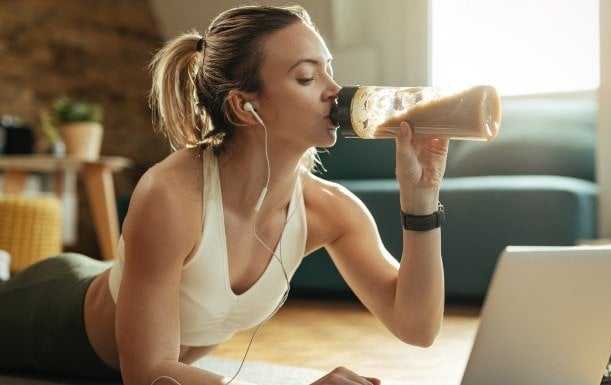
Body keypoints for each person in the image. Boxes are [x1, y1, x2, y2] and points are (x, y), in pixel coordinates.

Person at [0, 4, 448, 385]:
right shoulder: (172, 194)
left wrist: (421, 200)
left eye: (329, 70)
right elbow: (148, 372)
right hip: (48, 316)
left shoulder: (328, 209)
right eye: (307, 77)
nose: (335, 90)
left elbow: (417, 327)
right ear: (244, 106)